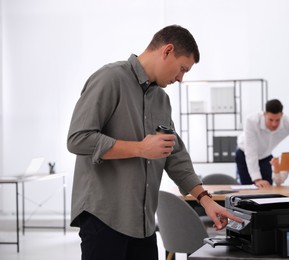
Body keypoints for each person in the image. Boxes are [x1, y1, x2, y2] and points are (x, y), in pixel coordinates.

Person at [67, 25, 242, 260]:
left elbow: (174, 155)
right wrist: (140, 148)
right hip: (103, 218)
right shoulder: (110, 78)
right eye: (182, 69)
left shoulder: (161, 99)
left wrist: (205, 200)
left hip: (143, 224)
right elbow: (78, 139)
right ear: (167, 50)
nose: (180, 78)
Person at [235, 99, 289, 188]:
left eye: (277, 120)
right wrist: (257, 179)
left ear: (282, 115)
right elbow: (251, 151)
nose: (274, 124)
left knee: (268, 188)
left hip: (266, 156)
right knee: (248, 189)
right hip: (244, 154)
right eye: (271, 120)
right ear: (264, 114)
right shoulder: (251, 121)